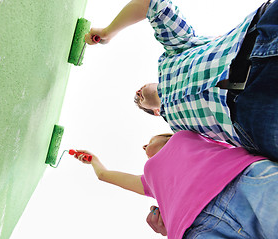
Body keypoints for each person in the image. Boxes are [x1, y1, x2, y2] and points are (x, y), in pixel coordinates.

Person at [85, 0, 278, 161]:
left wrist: (108, 32)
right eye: (140, 101)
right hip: (257, 119)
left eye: (139, 90)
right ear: (156, 112)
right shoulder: (180, 133)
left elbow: (153, 4)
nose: (138, 94)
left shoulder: (173, 55)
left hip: (258, 40)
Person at [73, 131, 278, 239]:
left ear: (166, 137)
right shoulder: (148, 180)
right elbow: (104, 175)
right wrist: (94, 160)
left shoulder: (186, 132)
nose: (144, 146)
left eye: (150, 139)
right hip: (197, 230)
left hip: (243, 181)